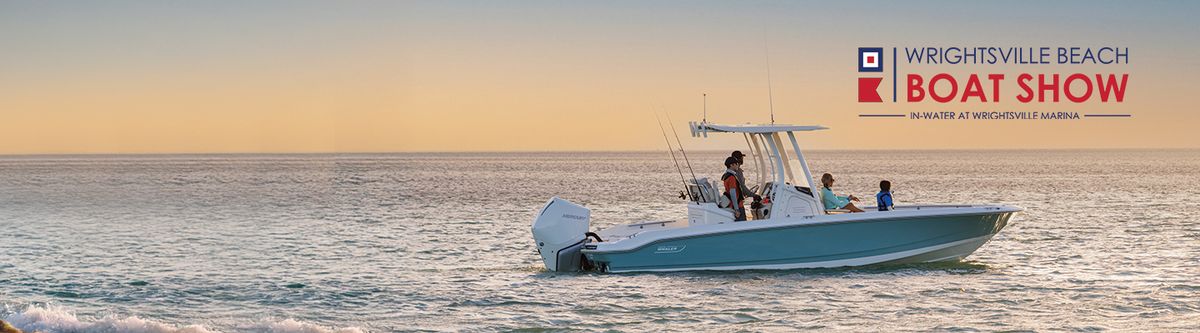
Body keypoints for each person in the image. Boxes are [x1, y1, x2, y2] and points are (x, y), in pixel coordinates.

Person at [722, 156, 748, 221]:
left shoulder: (726, 175)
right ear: (731, 165)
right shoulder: (732, 177)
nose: (738, 165)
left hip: (732, 205)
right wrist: (736, 209)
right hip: (738, 206)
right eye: (736, 164)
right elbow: (732, 193)